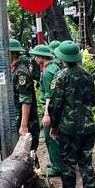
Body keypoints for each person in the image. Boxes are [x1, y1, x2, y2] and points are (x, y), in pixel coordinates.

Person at [48, 41, 95, 188]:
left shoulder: (61, 77)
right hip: (87, 127)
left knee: (67, 163)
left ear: (61, 58)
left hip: (68, 129)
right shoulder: (87, 75)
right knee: (86, 163)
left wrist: (53, 126)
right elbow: (93, 100)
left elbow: (55, 105)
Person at [9, 39, 40, 188]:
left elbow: (25, 100)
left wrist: (23, 125)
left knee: (28, 156)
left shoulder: (21, 73)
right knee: (28, 156)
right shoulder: (14, 70)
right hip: (21, 119)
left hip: (27, 122)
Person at [29, 44, 62, 177]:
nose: (35, 58)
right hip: (57, 107)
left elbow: (49, 94)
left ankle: (57, 166)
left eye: (36, 55)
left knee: (50, 138)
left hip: (51, 108)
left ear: (41, 57)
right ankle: (56, 162)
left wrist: (47, 113)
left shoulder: (48, 72)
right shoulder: (54, 67)